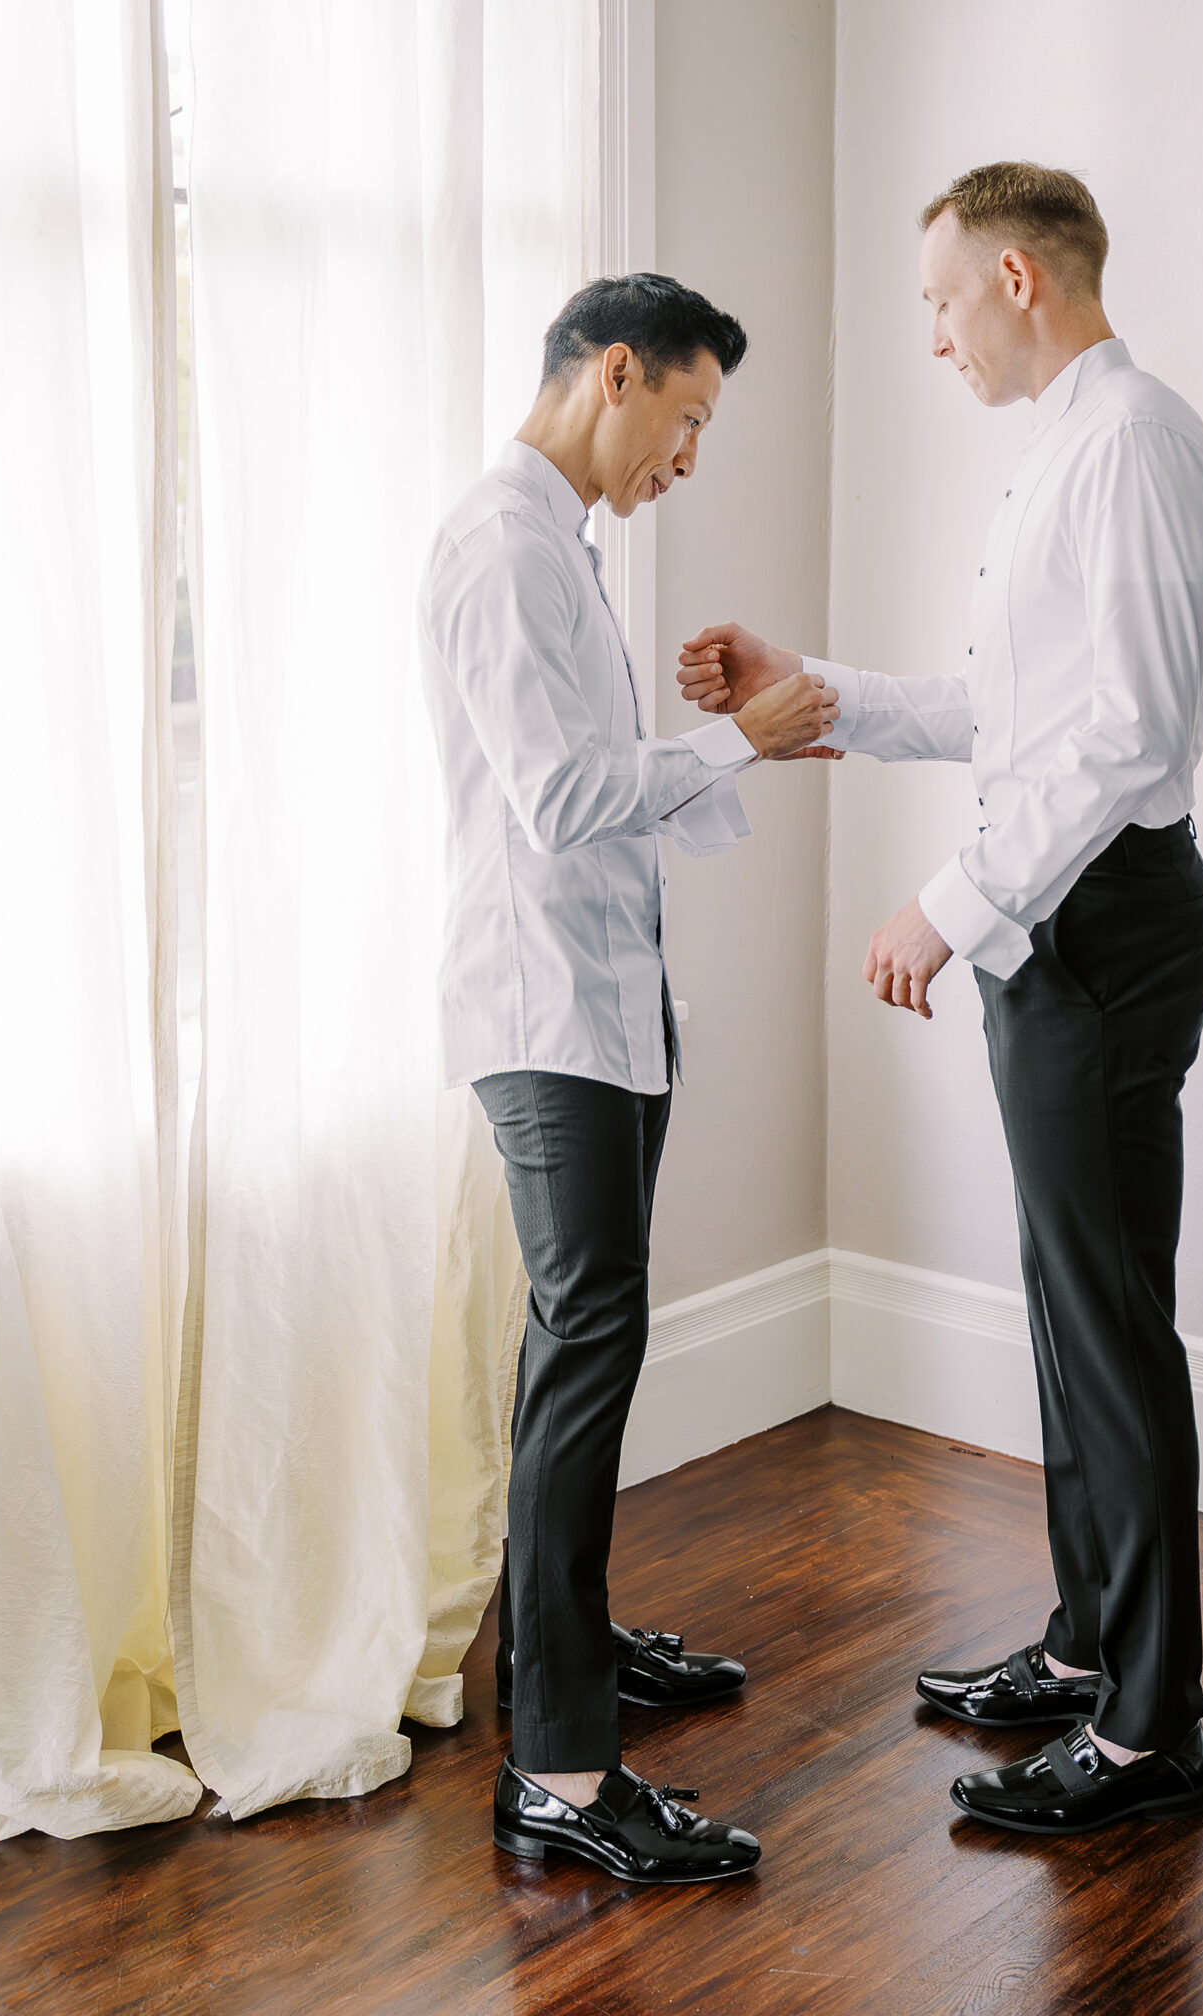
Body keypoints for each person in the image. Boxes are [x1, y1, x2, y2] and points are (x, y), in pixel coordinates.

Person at [678, 163, 1203, 1839]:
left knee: (1111, 1327)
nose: (928, 337)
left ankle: (1147, 1738)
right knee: (1072, 1311)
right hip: (1061, 927)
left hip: (1098, 925)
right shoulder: (1065, 450)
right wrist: (815, 689)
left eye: (934, 302)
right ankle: (1087, 1650)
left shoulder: (1127, 444)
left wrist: (953, 903)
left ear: (1013, 276)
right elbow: (1006, 709)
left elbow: (1125, 732)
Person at [418, 273, 839, 1885]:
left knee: (576, 1335)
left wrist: (735, 733)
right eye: (689, 419)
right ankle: (565, 1771)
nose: (689, 457)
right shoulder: (503, 544)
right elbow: (555, 795)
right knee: (592, 1336)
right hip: (547, 1013)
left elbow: (608, 787)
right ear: (615, 374)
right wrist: (740, 743)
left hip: (605, 1002)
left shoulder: (560, 551)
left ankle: (559, 1648)